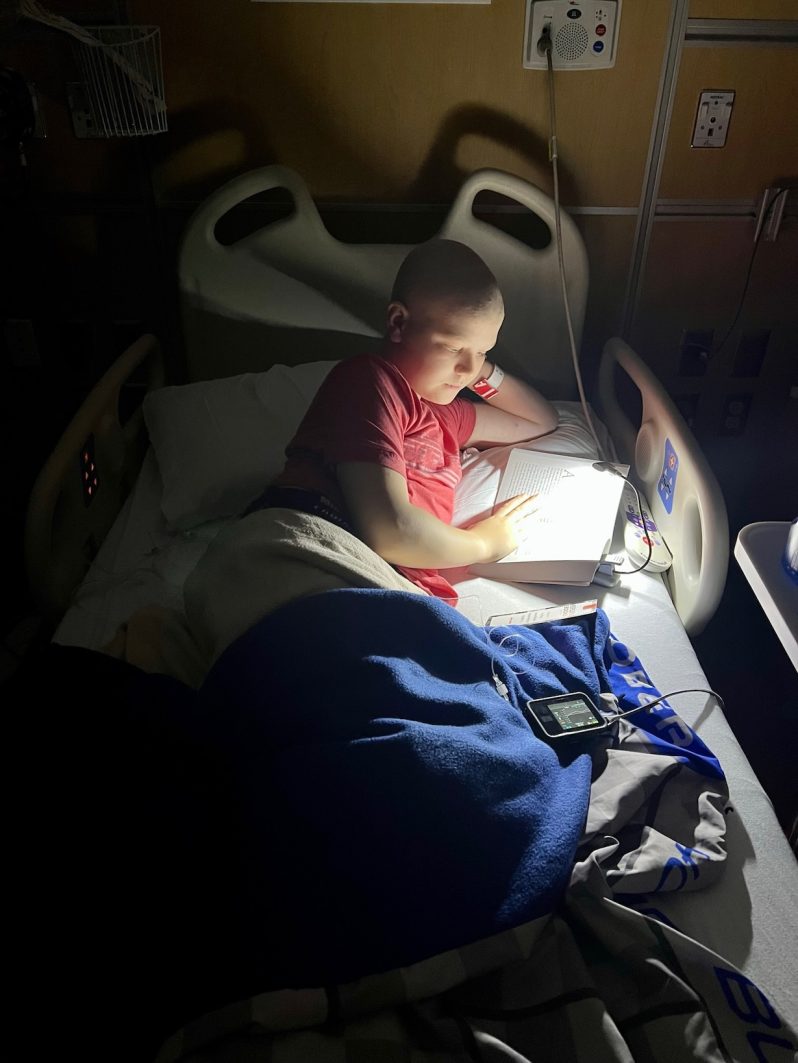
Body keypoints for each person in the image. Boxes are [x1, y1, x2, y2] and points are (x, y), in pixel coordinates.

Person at [249, 238, 558, 602]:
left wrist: (477, 369)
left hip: (399, 587)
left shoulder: (448, 417)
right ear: (398, 322)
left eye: (483, 351)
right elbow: (390, 531)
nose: (466, 368)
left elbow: (539, 420)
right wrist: (484, 543)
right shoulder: (368, 381)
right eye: (453, 347)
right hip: (319, 560)